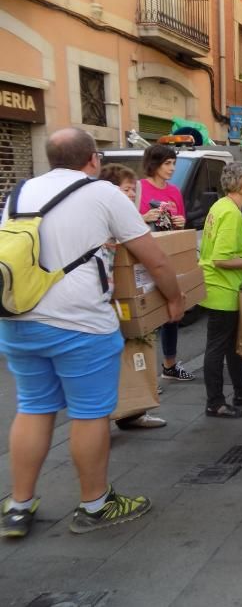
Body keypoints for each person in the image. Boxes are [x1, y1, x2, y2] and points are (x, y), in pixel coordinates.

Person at [0, 128, 183, 539]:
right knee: (88, 413)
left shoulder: (19, 193)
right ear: (93, 159)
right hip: (80, 323)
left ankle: (18, 506)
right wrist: (174, 299)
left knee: (32, 407)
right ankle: (95, 504)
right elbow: (153, 258)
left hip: (17, 318)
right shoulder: (103, 194)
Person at [199, 162, 242, 418]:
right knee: (218, 347)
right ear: (239, 182)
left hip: (221, 287)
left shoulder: (221, 207)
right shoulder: (230, 212)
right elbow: (220, 258)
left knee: (230, 345)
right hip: (222, 289)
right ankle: (215, 402)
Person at [98, 163, 167, 430]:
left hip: (121, 296)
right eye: (126, 189)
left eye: (132, 190)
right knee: (111, 359)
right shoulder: (104, 215)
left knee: (133, 351)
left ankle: (131, 410)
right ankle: (102, 419)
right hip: (107, 300)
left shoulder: (124, 215)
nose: (130, 195)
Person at [137, 144, 194, 383]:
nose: (171, 168)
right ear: (154, 164)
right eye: (167, 163)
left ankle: (169, 364)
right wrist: (142, 217)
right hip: (144, 259)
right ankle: (144, 375)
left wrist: (181, 221)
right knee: (147, 315)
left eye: (173, 163)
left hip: (169, 255)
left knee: (173, 310)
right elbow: (123, 222)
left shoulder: (174, 192)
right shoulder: (139, 188)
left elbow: (182, 220)